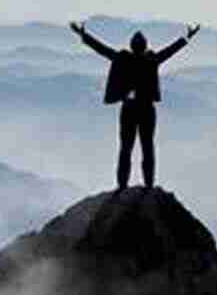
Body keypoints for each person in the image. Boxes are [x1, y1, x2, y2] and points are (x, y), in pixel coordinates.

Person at [70, 20, 201, 189]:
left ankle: (122, 185)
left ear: (132, 46)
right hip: (147, 109)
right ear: (144, 46)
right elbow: (170, 51)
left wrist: (83, 35)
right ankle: (148, 185)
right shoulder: (151, 60)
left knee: (126, 148)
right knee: (147, 147)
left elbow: (101, 49)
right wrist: (187, 37)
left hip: (129, 109)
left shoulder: (123, 59)